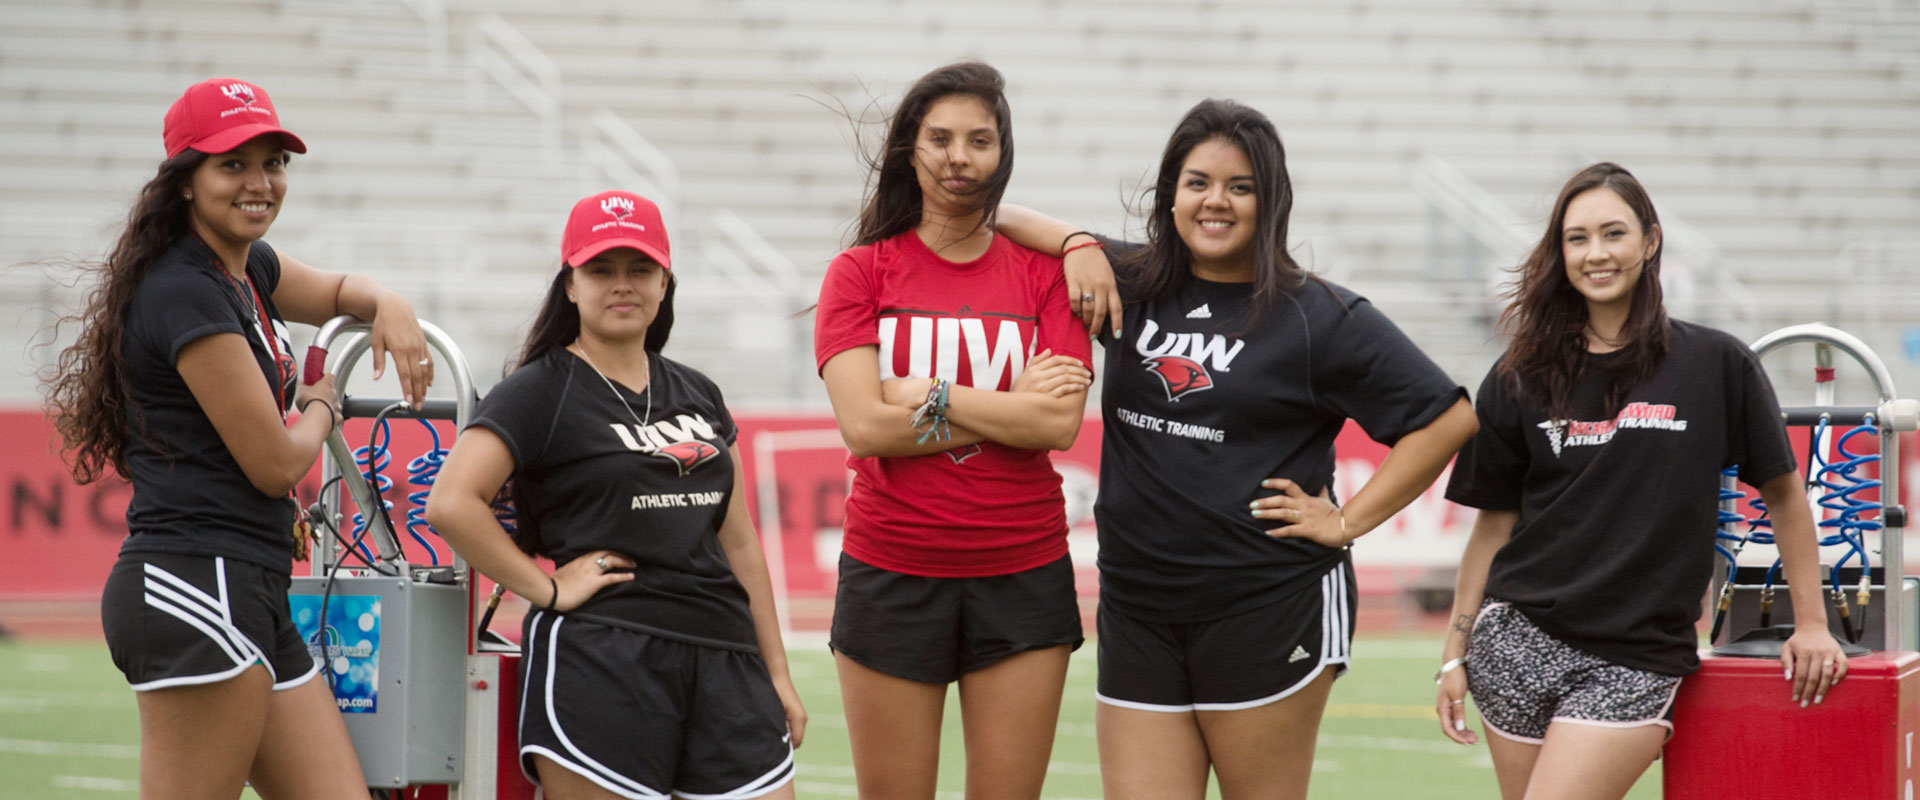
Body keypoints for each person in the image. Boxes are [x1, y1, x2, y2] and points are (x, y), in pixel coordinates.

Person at [994, 98, 1479, 800]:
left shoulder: (1320, 317)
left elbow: (1448, 418)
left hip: (1267, 603)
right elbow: (999, 217)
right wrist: (1077, 242)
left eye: (1239, 187)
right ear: (1171, 195)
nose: (1215, 202)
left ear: (1270, 200)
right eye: (1197, 183)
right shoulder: (1129, 281)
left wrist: (1345, 522)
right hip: (1137, 609)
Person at [46, 77, 433, 800]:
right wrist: (322, 404)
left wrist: (390, 301)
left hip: (249, 585)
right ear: (185, 181)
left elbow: (338, 289)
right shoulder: (184, 288)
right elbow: (276, 462)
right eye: (233, 164)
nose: (260, 183)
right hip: (194, 585)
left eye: (274, 162)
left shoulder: (247, 267)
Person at [1434, 162, 1849, 800]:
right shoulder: (1520, 372)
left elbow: (1785, 495)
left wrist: (1812, 623)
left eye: (1613, 233)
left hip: (1635, 656)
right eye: (1577, 239)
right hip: (1513, 641)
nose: (1595, 254)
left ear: (1650, 241)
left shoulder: (1715, 363)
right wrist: (1456, 649)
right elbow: (1494, 525)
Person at [425, 190, 805, 800]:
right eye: (601, 270)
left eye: (640, 269)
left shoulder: (699, 393)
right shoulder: (538, 391)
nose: (621, 285)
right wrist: (546, 588)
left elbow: (737, 541)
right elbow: (450, 503)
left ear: (665, 283)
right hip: (603, 659)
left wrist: (777, 673)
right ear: (570, 285)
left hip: (727, 661)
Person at [812, 61, 1097, 799]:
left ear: (1004, 154)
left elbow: (1058, 421)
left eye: (980, 140)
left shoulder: (1047, 274)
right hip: (892, 571)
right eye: (940, 138)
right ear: (911, 147)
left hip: (1023, 573)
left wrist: (932, 394)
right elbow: (867, 427)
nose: (959, 158)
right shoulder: (860, 272)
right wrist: (1005, 410)